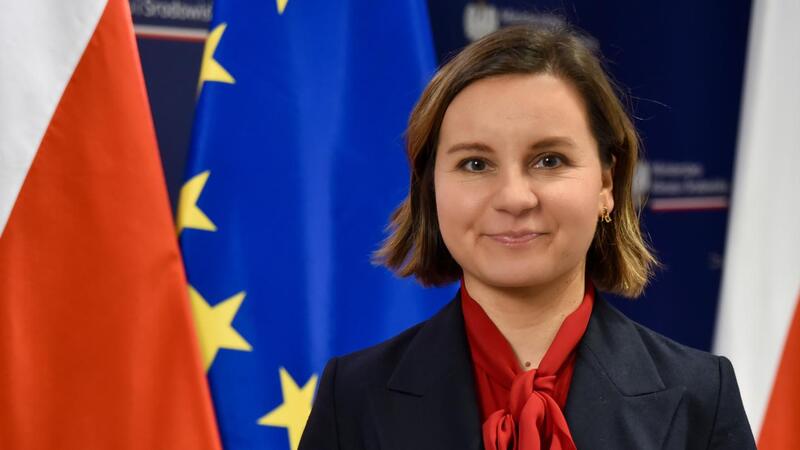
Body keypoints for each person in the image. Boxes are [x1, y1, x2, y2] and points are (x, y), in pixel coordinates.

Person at [299, 22, 756, 450]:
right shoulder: (352, 398)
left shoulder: (701, 396)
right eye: (475, 164)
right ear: (431, 188)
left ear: (606, 184)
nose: (514, 198)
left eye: (549, 160)